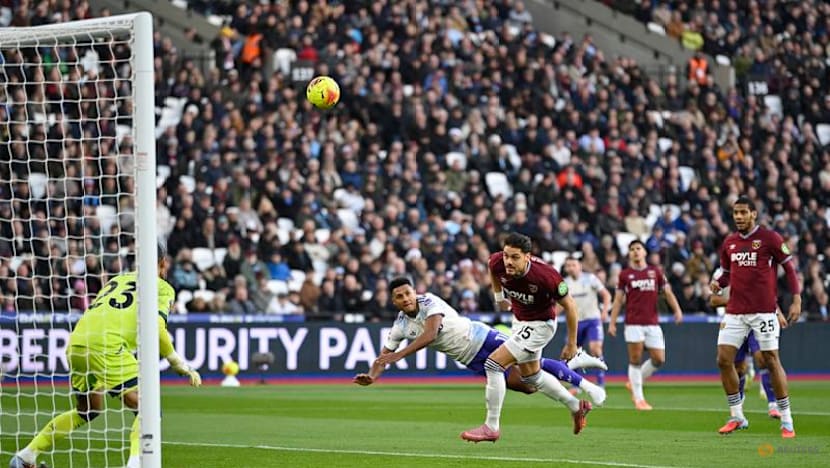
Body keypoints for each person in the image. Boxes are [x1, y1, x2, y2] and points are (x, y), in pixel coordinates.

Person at [10, 244, 202, 468]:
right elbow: (157, 328)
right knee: (148, 408)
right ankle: (134, 465)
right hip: (107, 346)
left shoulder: (117, 280)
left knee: (87, 411)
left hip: (78, 343)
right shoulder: (162, 287)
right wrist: (178, 363)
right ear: (163, 263)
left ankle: (25, 456)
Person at [353, 277, 607, 403]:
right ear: (394, 301)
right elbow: (383, 354)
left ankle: (582, 380)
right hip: (470, 357)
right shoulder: (400, 325)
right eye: (400, 296)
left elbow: (430, 334)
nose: (406, 298)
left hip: (482, 336)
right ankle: (574, 363)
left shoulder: (428, 301)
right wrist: (373, 375)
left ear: (414, 291)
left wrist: (398, 355)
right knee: (529, 387)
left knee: (532, 367)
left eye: (408, 293)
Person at [460, 233, 592, 443]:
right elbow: (492, 268)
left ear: (527, 257)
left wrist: (572, 343)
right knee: (532, 377)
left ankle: (491, 427)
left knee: (494, 364)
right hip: (520, 321)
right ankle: (577, 406)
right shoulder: (497, 262)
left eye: (514, 257)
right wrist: (499, 298)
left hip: (541, 325)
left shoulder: (547, 276)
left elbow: (571, 307)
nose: (508, 262)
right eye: (506, 256)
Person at [710, 196, 801, 438]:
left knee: (770, 360)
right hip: (735, 312)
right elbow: (728, 273)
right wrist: (718, 283)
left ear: (753, 214)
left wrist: (797, 299)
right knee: (723, 359)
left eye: (742, 212)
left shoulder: (770, 239)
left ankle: (787, 419)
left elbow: (790, 269)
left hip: (763, 311)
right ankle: (737, 416)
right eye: (735, 213)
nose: (738, 217)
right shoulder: (729, 243)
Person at [609, 240, 683, 411]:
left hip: (652, 322)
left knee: (659, 358)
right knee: (635, 359)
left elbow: (668, 293)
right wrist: (612, 322)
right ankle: (639, 398)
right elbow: (618, 300)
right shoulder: (625, 275)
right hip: (633, 323)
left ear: (644, 253)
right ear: (629, 254)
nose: (635, 251)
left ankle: (634, 382)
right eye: (632, 249)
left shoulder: (655, 272)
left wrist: (677, 310)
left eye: (638, 248)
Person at [709, 273, 783, 419]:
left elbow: (767, 295)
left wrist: (778, 313)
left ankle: (773, 404)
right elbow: (713, 300)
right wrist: (737, 301)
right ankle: (739, 404)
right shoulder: (721, 275)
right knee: (739, 367)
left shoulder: (755, 266)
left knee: (763, 359)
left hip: (756, 321)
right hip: (735, 322)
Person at [563, 256, 611, 387]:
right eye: (568, 265)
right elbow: (560, 304)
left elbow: (606, 295)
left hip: (592, 320)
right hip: (575, 322)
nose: (571, 268)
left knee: (595, 349)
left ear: (579, 266)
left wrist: (605, 311)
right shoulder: (564, 283)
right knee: (572, 352)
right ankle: (575, 385)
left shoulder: (590, 279)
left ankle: (601, 382)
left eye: (573, 265)